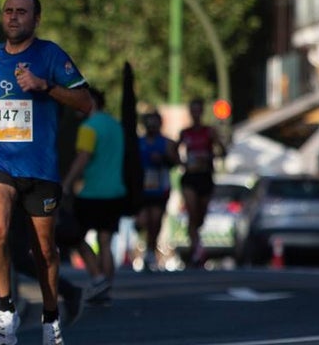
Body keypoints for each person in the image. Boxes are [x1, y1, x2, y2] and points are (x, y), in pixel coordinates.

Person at [0, 0, 92, 345]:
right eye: (8, 11)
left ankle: (50, 317)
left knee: (43, 251)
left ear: (35, 19)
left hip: (39, 166)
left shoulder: (50, 54)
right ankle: (6, 308)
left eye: (21, 12)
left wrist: (46, 86)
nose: (13, 17)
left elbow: (85, 102)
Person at [61, 88, 126, 304]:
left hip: (92, 192)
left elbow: (83, 158)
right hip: (115, 191)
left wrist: (67, 184)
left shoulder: (89, 128)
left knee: (76, 236)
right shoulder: (115, 125)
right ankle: (106, 285)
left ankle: (98, 279)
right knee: (105, 241)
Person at [178, 98, 225, 268]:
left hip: (205, 176)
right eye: (193, 110)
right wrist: (182, 163)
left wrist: (210, 156)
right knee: (192, 213)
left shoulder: (209, 131)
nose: (196, 114)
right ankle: (196, 249)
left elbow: (223, 150)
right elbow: (175, 150)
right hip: (190, 177)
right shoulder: (185, 132)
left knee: (200, 216)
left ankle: (195, 241)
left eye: (198, 110)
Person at [136, 110, 178, 271]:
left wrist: (163, 159)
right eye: (149, 123)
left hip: (160, 187)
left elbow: (175, 162)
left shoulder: (166, 142)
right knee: (144, 220)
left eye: (155, 123)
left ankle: (151, 251)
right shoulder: (139, 142)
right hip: (143, 188)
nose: (152, 126)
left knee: (156, 221)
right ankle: (146, 246)